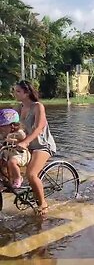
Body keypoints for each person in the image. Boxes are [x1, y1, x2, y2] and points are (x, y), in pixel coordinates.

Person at [14, 80, 56, 215]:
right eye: (15, 91)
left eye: (18, 91)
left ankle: (43, 204)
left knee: (31, 174)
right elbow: (11, 126)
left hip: (42, 145)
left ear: (26, 93)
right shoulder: (19, 108)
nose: (15, 94)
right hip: (27, 145)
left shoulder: (38, 106)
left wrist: (25, 142)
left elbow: (39, 128)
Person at [0, 109, 31, 188]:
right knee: (2, 161)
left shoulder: (19, 133)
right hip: (9, 152)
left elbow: (24, 140)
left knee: (12, 162)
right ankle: (5, 179)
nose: (1, 128)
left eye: (3, 126)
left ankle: (18, 178)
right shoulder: (5, 133)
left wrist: (17, 142)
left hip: (20, 154)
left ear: (13, 125)